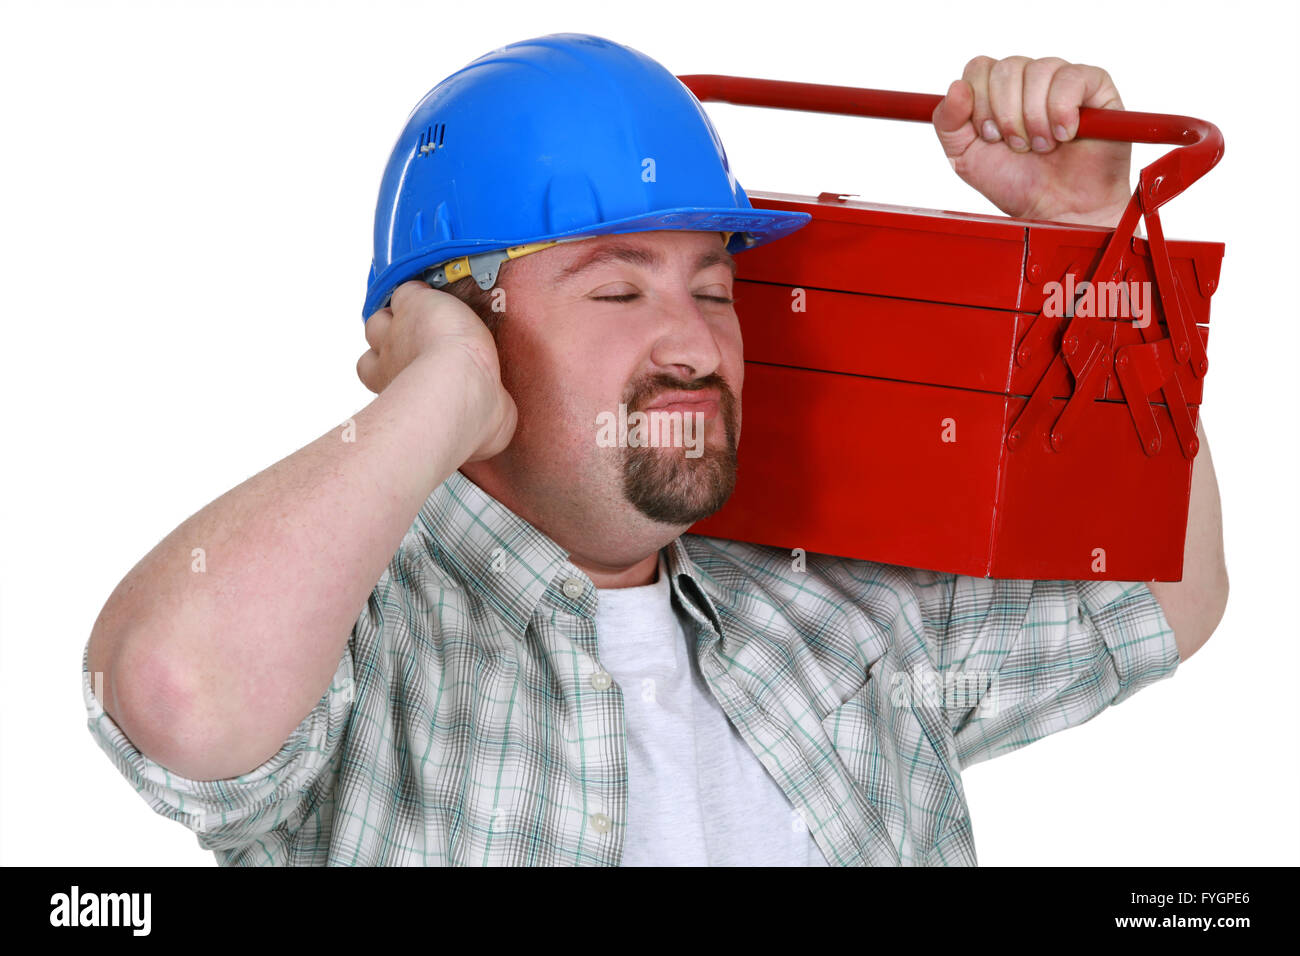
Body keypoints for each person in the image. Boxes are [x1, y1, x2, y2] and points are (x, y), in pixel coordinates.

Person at [82, 33, 1227, 866]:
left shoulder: (832, 611)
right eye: (618, 287)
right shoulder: (363, 638)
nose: (694, 342)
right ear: (451, 326)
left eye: (716, 287)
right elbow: (177, 691)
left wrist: (1091, 260)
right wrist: (432, 397)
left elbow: (1157, 592)